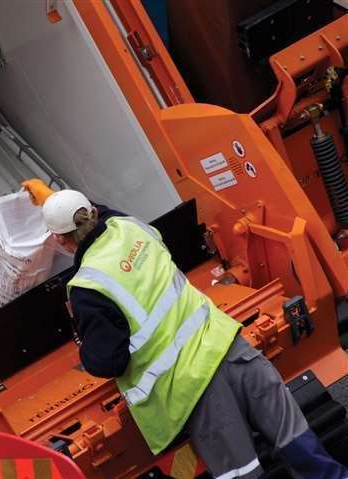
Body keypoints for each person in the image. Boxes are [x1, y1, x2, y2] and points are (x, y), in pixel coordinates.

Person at [39, 187, 347, 479]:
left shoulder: (87, 287)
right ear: (91, 211)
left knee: (243, 473)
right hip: (230, 347)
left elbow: (110, 361)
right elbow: (104, 217)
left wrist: (85, 347)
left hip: (193, 388)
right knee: (297, 441)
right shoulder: (129, 227)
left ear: (62, 242)